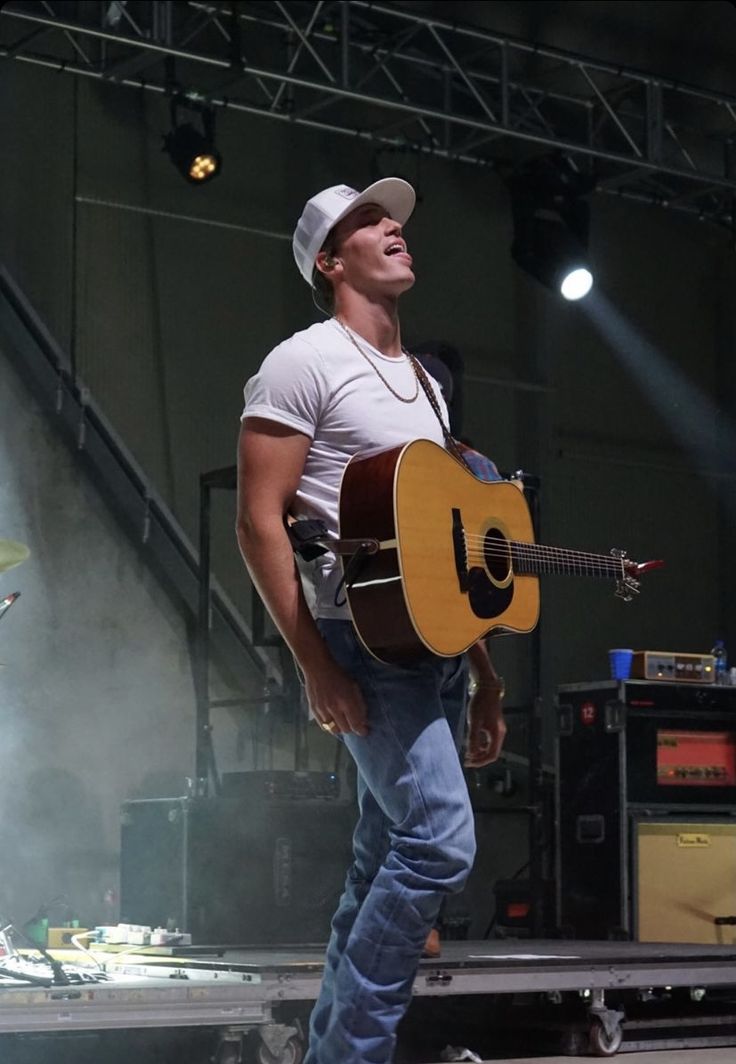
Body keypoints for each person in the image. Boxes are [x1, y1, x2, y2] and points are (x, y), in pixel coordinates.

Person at [236, 179, 507, 1064]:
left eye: (392, 218)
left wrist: (486, 679)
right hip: (362, 643)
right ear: (330, 260)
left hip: (431, 651)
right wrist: (314, 664)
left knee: (382, 857)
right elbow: (257, 521)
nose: (393, 226)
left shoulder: (423, 385)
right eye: (367, 222)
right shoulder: (300, 363)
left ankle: (332, 1055)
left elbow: (445, 544)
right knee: (438, 843)